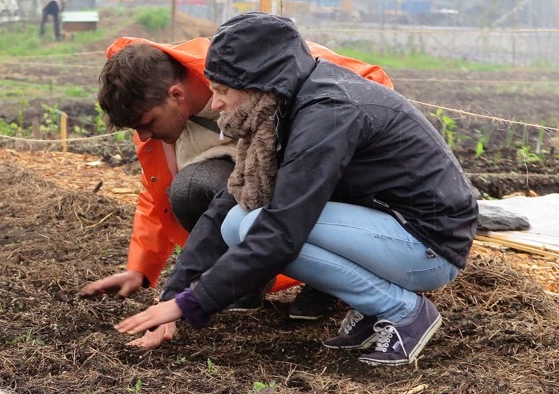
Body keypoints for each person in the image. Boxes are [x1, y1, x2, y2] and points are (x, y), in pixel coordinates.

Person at [113, 12, 478, 366]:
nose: (217, 103)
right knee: (236, 221)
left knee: (258, 226)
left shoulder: (326, 113)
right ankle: (374, 307)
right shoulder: (282, 107)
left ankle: (403, 311)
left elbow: (284, 229)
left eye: (223, 90)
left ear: (257, 81)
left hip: (428, 243)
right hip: (385, 227)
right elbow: (227, 201)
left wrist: (189, 305)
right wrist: (175, 293)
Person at [80, 32, 393, 332]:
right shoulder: (166, 124)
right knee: (192, 188)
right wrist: (140, 268)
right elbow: (156, 196)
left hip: (313, 175)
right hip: (255, 179)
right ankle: (250, 275)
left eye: (147, 124)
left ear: (176, 95)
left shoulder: (250, 69)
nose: (144, 136)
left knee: (311, 172)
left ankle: (332, 283)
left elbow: (366, 85)